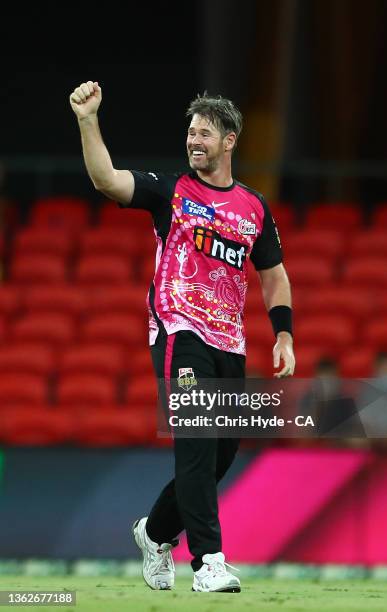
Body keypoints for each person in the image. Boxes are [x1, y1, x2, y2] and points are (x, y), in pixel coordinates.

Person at [69, 81, 295, 593]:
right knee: (196, 443)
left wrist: (283, 335)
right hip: (179, 330)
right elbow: (107, 180)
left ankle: (154, 532)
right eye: (190, 133)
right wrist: (88, 120)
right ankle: (209, 561)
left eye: (205, 133)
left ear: (229, 140)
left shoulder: (253, 208)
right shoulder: (170, 192)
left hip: (230, 342)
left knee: (222, 453)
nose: (194, 140)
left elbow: (274, 275)